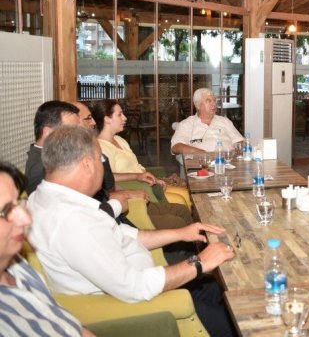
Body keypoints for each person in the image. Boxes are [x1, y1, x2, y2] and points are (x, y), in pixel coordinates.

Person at [27, 125, 236, 337]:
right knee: (233, 318)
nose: (104, 167)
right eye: (101, 159)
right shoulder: (73, 221)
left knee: (218, 287)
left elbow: (128, 235)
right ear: (87, 164)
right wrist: (199, 263)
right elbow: (134, 286)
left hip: (146, 278)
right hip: (147, 304)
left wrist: (182, 232)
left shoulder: (51, 198)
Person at [0, 161, 92, 336]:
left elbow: (66, 324)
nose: (26, 219)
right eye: (6, 211)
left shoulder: (17, 264)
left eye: (18, 203)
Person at [92, 99, 193, 209]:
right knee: (181, 200)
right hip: (133, 188)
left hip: (144, 183)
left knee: (185, 194)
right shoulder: (100, 147)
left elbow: (137, 167)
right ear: (107, 119)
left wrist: (154, 179)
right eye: (119, 114)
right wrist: (137, 176)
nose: (125, 118)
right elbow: (106, 177)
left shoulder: (120, 140)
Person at [24, 101, 81, 194]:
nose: (79, 135)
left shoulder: (55, 154)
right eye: (71, 130)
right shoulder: (40, 169)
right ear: (48, 132)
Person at [171, 88, 244, 155]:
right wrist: (203, 154)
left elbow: (240, 141)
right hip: (202, 162)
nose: (214, 104)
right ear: (198, 105)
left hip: (229, 160)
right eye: (208, 101)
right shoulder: (187, 124)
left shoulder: (225, 121)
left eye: (214, 100)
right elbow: (176, 146)